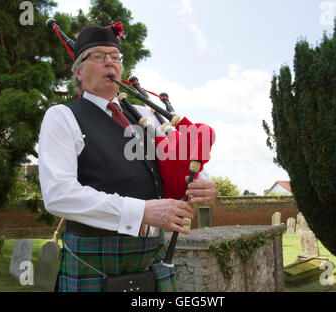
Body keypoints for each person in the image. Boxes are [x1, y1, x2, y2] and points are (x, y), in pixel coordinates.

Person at [38, 23, 216, 292]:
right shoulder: (63, 116)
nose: (110, 62)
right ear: (78, 71)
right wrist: (142, 211)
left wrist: (203, 182)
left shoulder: (144, 114)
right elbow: (58, 194)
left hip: (151, 257)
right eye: (98, 56)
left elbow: (175, 158)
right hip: (94, 260)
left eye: (115, 56)